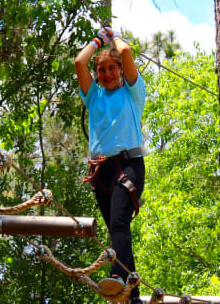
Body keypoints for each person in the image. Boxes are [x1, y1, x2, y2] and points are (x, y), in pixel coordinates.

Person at [74, 26, 145, 303]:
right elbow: (80, 62)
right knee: (119, 231)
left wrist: (112, 37)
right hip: (100, 172)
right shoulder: (94, 96)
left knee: (118, 223)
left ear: (120, 69)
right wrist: (95, 40)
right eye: (101, 70)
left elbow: (125, 51)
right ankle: (133, 296)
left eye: (111, 68)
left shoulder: (132, 94)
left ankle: (117, 276)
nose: (106, 75)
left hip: (128, 166)